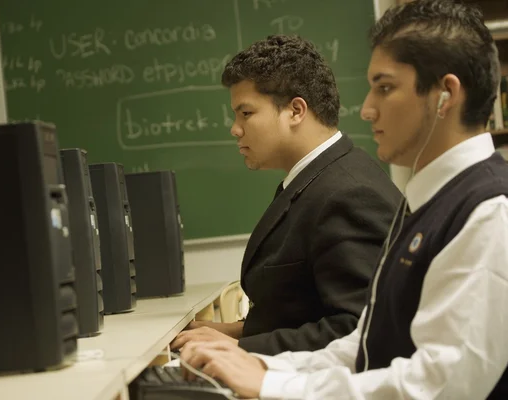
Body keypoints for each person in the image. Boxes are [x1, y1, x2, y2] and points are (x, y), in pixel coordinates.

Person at [179, 0, 508, 398]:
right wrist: (262, 364)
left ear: (445, 95)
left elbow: (443, 385)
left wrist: (270, 381)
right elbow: (366, 343)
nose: (367, 109)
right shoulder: (431, 201)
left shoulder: (490, 212)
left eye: (385, 88)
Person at [171, 34, 402, 356]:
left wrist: (241, 346)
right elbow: (305, 309)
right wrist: (231, 330)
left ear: (295, 111)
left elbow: (358, 327)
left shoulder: (348, 193)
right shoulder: (319, 177)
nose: (235, 129)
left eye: (246, 113)